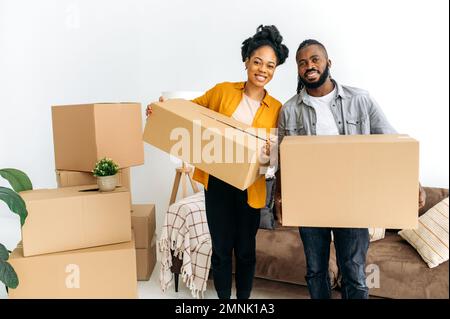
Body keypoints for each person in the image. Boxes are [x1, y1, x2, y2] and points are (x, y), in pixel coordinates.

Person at [275, 39, 426, 299]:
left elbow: (392, 142)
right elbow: (281, 158)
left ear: (328, 63)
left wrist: (414, 182)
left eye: (314, 59)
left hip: (353, 202)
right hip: (310, 201)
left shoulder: (360, 100)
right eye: (302, 63)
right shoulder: (289, 110)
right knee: (315, 271)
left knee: (354, 271)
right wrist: (279, 197)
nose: (309, 66)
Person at [147, 25, 289, 299]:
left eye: (270, 66)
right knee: (221, 250)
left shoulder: (277, 109)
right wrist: (161, 108)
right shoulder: (222, 92)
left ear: (275, 70)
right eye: (257, 61)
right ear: (246, 61)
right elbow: (189, 112)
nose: (263, 70)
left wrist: (271, 151)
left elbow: (274, 158)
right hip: (219, 185)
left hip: (252, 189)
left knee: (246, 251)